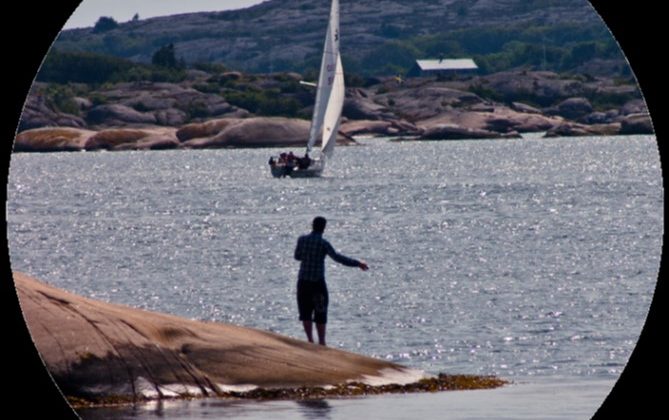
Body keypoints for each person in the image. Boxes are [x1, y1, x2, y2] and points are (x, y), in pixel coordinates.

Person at [294, 216, 368, 346]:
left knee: (305, 311)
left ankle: (310, 340)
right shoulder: (324, 244)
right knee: (320, 312)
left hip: (303, 281)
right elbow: (337, 258)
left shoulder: (302, 240)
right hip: (317, 282)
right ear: (323, 228)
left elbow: (297, 257)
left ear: (312, 225)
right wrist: (358, 264)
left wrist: (308, 256)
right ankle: (322, 342)